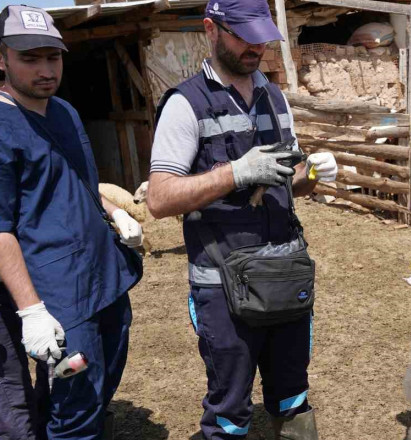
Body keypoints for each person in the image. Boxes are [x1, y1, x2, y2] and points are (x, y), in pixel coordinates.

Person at [145, 0, 337, 437]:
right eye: (243, 34)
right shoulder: (185, 104)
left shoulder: (274, 97)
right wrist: (235, 172)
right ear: (211, 29)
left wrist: (313, 175)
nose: (257, 46)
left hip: (285, 274)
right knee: (230, 409)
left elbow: (289, 184)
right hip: (223, 286)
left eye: (263, 35)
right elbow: (158, 198)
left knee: (293, 397)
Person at [0, 5, 144, 439]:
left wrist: (115, 213)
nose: (45, 70)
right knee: (75, 401)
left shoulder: (65, 113)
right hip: (58, 290)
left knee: (104, 378)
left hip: (103, 275)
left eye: (52, 58)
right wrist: (32, 311)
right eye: (30, 59)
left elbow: (78, 183)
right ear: (0, 58)